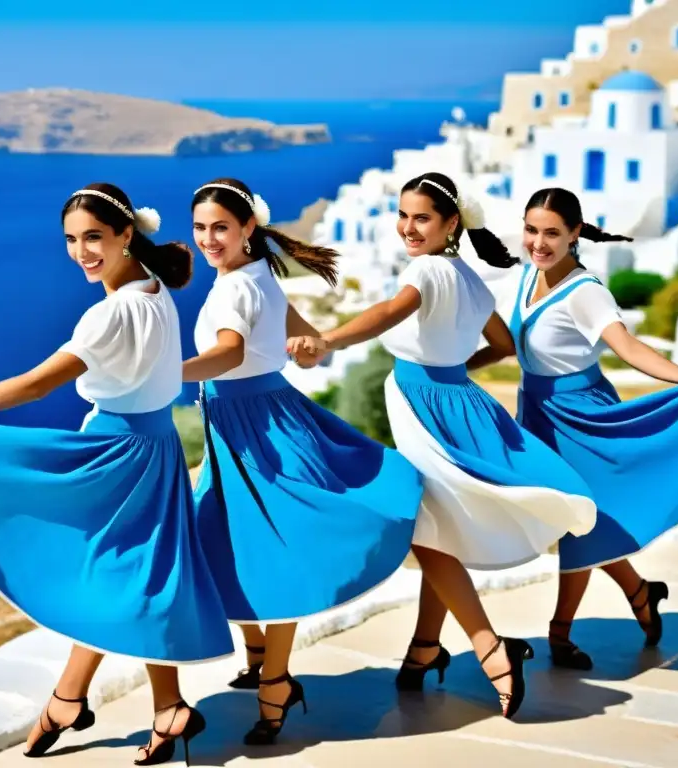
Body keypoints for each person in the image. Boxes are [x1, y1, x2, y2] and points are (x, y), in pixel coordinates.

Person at [0, 183, 232, 766]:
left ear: (128, 234)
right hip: (157, 446)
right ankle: (127, 702)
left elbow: (34, 384)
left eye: (94, 237)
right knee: (130, 577)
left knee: (110, 576)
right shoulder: (157, 293)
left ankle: (80, 700)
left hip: (115, 454)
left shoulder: (109, 314)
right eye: (72, 240)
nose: (82, 251)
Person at [287, 172, 597, 719]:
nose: (408, 227)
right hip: (456, 398)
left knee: (429, 535)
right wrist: (454, 369)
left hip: (424, 405)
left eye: (422, 217)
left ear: (451, 223)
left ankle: (491, 651)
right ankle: (424, 650)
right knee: (439, 529)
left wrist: (329, 339)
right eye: (403, 215)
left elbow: (389, 312)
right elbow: (503, 345)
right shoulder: (470, 278)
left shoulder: (427, 270)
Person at [185, 177, 423, 744]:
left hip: (255, 428)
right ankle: (261, 656)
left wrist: (163, 371)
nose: (209, 238)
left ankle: (275, 679)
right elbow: (311, 349)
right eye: (200, 227)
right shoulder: (261, 275)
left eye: (221, 227)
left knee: (269, 543)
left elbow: (229, 352)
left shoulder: (236, 289)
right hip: (257, 420)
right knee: (233, 535)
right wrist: (306, 349)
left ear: (247, 228)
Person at [504, 186, 678, 670]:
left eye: (552, 233)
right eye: (531, 229)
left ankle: (560, 634)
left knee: (582, 525)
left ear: (575, 234)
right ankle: (640, 592)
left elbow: (629, 348)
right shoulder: (527, 278)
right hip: (538, 415)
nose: (538, 241)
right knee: (576, 520)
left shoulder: (586, 291)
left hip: (582, 417)